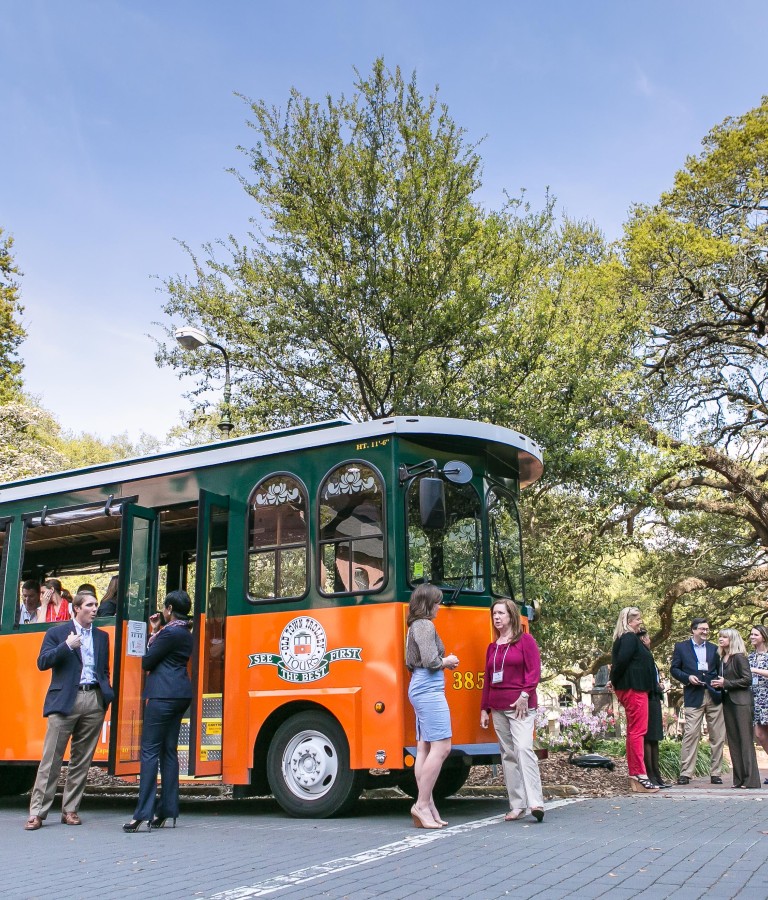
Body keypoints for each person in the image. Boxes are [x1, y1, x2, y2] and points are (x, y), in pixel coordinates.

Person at [24, 592, 114, 830]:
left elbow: (103, 669)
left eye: (96, 605)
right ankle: (37, 813)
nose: (95, 609)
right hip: (64, 701)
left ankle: (70, 810)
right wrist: (66, 646)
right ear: (77, 608)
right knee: (51, 758)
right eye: (90, 605)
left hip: (93, 699)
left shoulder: (101, 637)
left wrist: (105, 695)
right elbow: (42, 662)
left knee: (81, 760)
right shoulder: (57, 633)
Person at [122, 590, 194, 832]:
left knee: (150, 752)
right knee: (169, 752)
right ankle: (167, 810)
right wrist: (157, 631)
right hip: (181, 694)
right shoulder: (185, 631)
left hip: (162, 695)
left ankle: (142, 812)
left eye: (165, 608)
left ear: (170, 609)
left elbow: (147, 661)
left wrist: (154, 633)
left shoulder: (170, 632)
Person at [480, 599, 545, 822]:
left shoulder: (525, 641)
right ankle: (517, 805)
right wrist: (484, 708)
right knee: (507, 754)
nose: (497, 617)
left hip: (521, 706)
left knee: (524, 749)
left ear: (511, 616)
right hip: (498, 707)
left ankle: (535, 802)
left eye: (501, 613)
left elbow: (534, 671)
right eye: (494, 614)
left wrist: (525, 695)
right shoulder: (493, 647)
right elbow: (488, 680)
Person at [405, 583, 459, 830]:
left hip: (419, 685)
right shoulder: (425, 625)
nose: (439, 606)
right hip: (428, 688)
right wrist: (447, 661)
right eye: (437, 602)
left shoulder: (413, 626)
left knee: (424, 747)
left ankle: (428, 805)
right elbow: (430, 661)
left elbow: (412, 663)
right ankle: (422, 804)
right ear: (427, 604)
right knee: (442, 746)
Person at [670, 617, 726, 785]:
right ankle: (686, 773)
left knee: (717, 735)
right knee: (691, 734)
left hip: (713, 695)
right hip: (693, 695)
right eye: (702, 629)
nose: (705, 632)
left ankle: (716, 773)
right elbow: (674, 669)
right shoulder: (681, 647)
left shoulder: (714, 649)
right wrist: (687, 677)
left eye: (707, 629)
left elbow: (719, 670)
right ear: (693, 630)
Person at [610, 607, 659, 792]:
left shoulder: (628, 638)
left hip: (635, 688)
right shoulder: (629, 638)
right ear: (628, 620)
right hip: (633, 689)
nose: (640, 622)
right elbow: (621, 662)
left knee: (635, 731)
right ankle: (639, 774)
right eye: (637, 619)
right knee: (638, 731)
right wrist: (614, 680)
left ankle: (636, 774)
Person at [711, 629, 761, 789]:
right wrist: (719, 685)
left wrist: (726, 683)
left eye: (724, 637)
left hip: (741, 702)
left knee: (745, 740)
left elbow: (747, 680)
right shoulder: (722, 658)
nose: (721, 639)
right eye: (720, 636)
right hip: (728, 702)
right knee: (732, 741)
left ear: (732, 640)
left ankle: (750, 780)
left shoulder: (739, 658)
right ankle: (739, 779)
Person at [638, 630, 668, 787]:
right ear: (643, 640)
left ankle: (656, 774)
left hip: (655, 699)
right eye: (648, 638)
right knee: (649, 738)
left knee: (655, 738)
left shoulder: (649, 656)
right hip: (648, 699)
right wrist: (656, 686)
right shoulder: (643, 656)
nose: (650, 640)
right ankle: (650, 774)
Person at [748, 624, 768, 783]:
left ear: (763, 636)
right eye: (751, 634)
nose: (752, 637)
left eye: (755, 634)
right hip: (755, 699)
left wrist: (754, 670)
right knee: (760, 735)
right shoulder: (749, 657)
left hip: (766, 697)